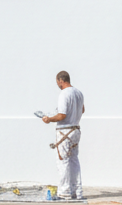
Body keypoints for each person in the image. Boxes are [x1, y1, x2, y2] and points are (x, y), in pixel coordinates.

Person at [42, 70, 85, 201]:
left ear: (61, 80)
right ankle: (77, 191)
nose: (58, 85)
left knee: (63, 162)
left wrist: (49, 119)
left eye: (57, 82)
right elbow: (82, 110)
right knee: (74, 161)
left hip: (65, 131)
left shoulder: (64, 94)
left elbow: (62, 115)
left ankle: (65, 192)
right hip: (75, 130)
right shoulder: (78, 93)